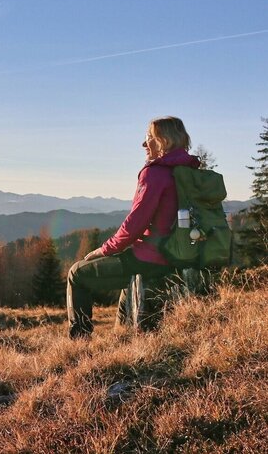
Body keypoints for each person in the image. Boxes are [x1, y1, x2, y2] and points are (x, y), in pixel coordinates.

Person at [66, 116, 200, 339]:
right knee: (127, 277)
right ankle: (123, 335)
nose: (143, 144)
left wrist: (102, 250)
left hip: (151, 258)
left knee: (77, 274)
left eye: (148, 138)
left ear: (163, 140)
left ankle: (79, 342)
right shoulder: (190, 170)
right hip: (179, 256)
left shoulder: (155, 173)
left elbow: (134, 225)